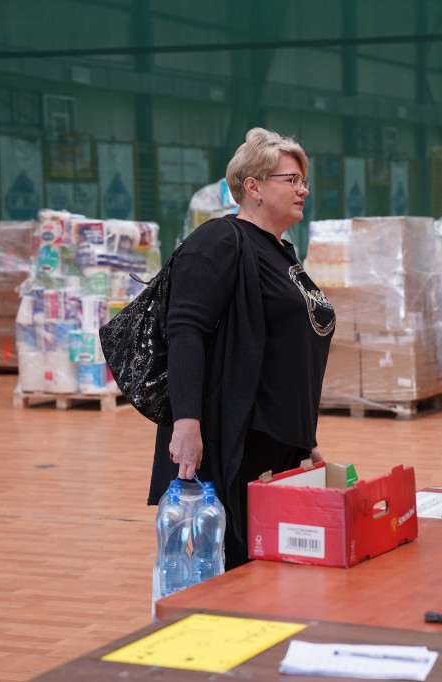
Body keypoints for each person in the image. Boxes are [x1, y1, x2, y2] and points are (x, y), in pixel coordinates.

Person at [148, 127, 335, 569]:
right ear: (252, 186)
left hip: (280, 441)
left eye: (303, 181)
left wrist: (304, 441)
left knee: (270, 563)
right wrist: (186, 423)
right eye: (291, 180)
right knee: (241, 565)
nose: (303, 189)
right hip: (236, 439)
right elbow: (185, 330)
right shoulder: (219, 240)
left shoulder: (281, 252)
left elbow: (282, 352)